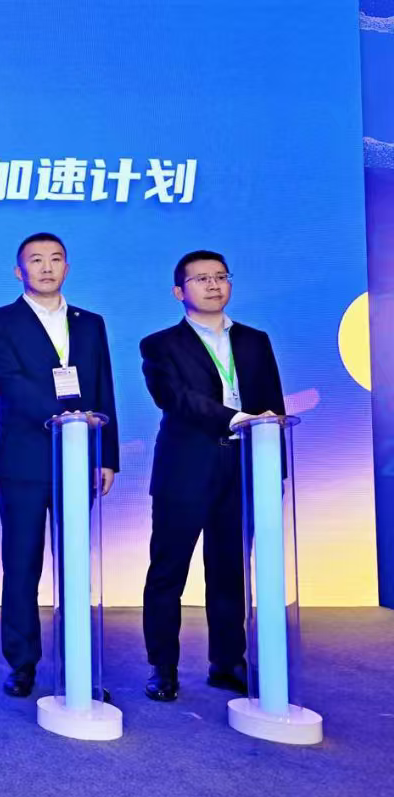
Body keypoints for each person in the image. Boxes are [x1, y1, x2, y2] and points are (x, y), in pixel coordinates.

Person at [0, 232, 119, 698]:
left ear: (67, 268)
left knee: (75, 565)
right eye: (36, 260)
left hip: (80, 458)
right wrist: (65, 418)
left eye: (55, 259)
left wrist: (106, 454)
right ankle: (22, 663)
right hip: (23, 458)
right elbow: (8, 383)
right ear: (19, 271)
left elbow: (103, 387)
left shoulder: (90, 323)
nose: (46, 267)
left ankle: (79, 665)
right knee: (21, 564)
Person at [139, 250, 285, 701]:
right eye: (201, 279)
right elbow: (175, 399)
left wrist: (274, 469)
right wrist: (236, 419)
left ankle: (227, 662)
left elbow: (273, 405)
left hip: (243, 466)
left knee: (229, 570)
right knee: (168, 570)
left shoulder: (255, 340)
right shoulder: (159, 344)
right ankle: (163, 667)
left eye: (221, 276)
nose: (214, 285)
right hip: (186, 467)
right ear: (178, 292)